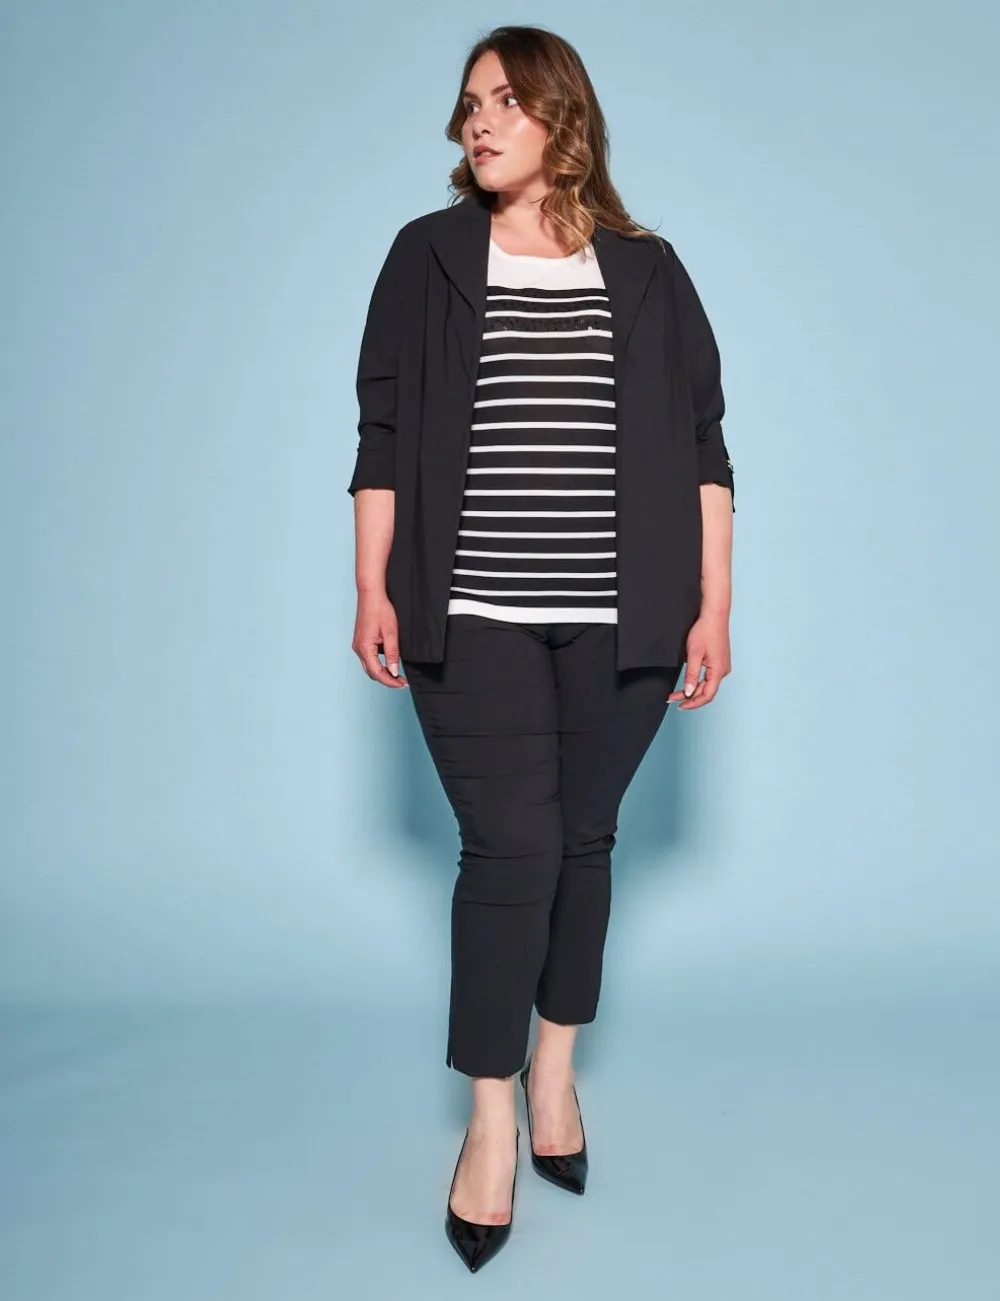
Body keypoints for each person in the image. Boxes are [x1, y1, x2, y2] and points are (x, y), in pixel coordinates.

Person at [348, 25, 735, 1274]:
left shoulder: (648, 269)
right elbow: (380, 430)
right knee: (507, 849)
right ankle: (490, 1114)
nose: (479, 120)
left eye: (506, 100)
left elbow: (705, 444)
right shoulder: (425, 256)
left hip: (626, 617)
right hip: (471, 612)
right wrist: (371, 583)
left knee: (582, 839)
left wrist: (712, 604)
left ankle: (556, 1066)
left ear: (562, 118)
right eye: (469, 101)